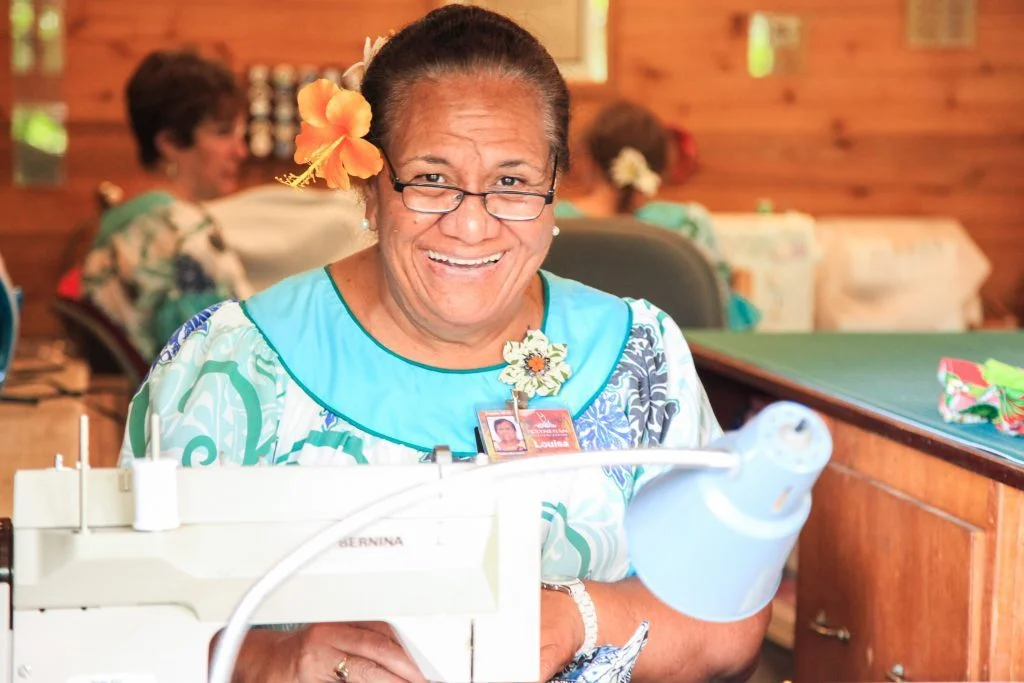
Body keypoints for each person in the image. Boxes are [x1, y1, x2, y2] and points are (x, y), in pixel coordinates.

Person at [122, 6, 769, 682]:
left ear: (554, 196)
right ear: (371, 188)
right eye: (431, 178)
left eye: (513, 182)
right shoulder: (232, 366)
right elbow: (102, 622)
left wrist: (579, 617)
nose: (470, 223)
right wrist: (266, 660)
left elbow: (732, 621)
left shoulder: (641, 359)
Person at [81, 49, 254, 363]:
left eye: (241, 134)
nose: (241, 151)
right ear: (170, 143)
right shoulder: (184, 231)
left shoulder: (118, 220)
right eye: (223, 133)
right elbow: (233, 359)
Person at [555, 101, 760, 331]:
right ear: (660, 167)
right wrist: (743, 284)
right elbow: (726, 323)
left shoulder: (551, 222)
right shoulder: (689, 225)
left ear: (589, 158)